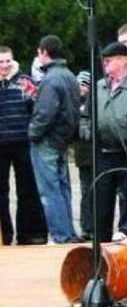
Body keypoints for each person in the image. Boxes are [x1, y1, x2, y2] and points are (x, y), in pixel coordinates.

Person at [80, 42, 127, 244]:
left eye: (110, 60)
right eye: (104, 60)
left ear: (124, 61)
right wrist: (87, 133)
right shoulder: (99, 87)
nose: (105, 64)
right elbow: (85, 117)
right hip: (102, 152)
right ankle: (100, 245)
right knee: (101, 203)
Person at [28, 35, 82, 244]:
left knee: (50, 191)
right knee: (62, 188)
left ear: (44, 52)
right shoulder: (69, 76)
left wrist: (32, 134)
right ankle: (68, 232)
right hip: (62, 140)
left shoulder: (51, 79)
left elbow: (45, 113)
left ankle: (61, 234)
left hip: (47, 141)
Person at [0, 45, 48, 245]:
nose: (4, 65)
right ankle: (4, 235)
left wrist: (32, 133)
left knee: (27, 189)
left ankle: (29, 234)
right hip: (0, 144)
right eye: (0, 62)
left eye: (7, 61)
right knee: (1, 191)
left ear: (13, 61)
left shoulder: (26, 82)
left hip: (23, 142)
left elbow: (37, 110)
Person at [73, 70, 94, 241]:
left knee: (94, 191)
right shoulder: (74, 103)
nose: (80, 88)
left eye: (84, 85)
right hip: (83, 157)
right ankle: (86, 227)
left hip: (94, 155)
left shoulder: (92, 102)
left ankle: (94, 226)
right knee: (86, 192)